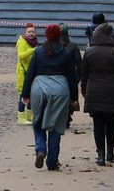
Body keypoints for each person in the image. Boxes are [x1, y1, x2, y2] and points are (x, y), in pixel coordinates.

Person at [21, 23, 81, 170]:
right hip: (60, 90)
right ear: (59, 36)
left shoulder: (39, 52)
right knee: (56, 126)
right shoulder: (66, 53)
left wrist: (25, 93)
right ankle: (52, 161)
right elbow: (72, 77)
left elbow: (30, 73)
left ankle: (40, 149)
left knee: (38, 122)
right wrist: (74, 97)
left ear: (46, 35)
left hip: (39, 89)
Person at [81, 24, 114, 165]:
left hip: (94, 89)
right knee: (111, 122)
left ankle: (100, 155)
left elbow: (83, 74)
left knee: (98, 123)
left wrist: (84, 90)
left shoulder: (89, 51)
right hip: (113, 89)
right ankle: (110, 152)